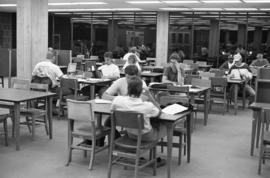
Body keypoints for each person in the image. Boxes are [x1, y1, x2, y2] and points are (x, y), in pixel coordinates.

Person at [111, 76, 166, 141]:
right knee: (166, 125)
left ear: (128, 89)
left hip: (130, 134)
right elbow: (159, 112)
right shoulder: (148, 106)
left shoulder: (117, 100)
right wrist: (150, 96)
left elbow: (112, 109)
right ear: (141, 90)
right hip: (146, 136)